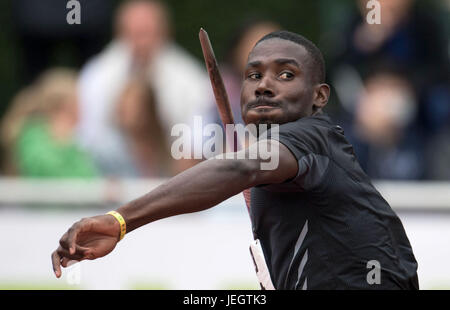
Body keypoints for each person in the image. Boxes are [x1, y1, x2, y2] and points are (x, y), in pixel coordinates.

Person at [51, 31, 419, 290]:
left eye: (286, 75)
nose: (264, 84)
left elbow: (241, 166)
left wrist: (120, 220)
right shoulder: (273, 162)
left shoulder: (312, 135)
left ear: (318, 96)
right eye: (254, 75)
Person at [77, 0, 210, 176]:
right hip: (110, 177)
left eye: (147, 33)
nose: (141, 42)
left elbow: (201, 133)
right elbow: (88, 134)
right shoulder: (96, 75)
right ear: (119, 34)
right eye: (134, 34)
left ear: (164, 33)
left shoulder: (190, 78)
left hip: (173, 176)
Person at [0, 68, 98, 178]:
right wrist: (64, 145)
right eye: (79, 103)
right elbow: (46, 174)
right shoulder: (32, 135)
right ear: (67, 106)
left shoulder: (75, 139)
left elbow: (88, 177)